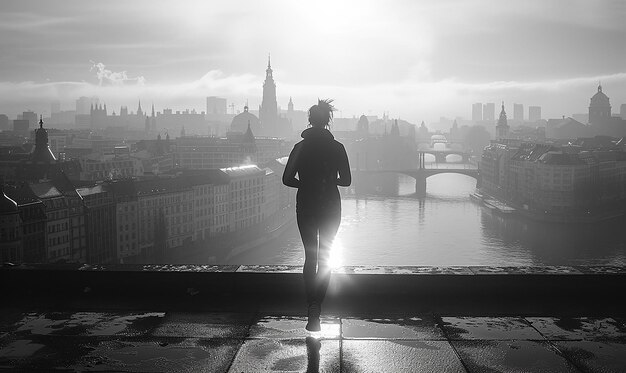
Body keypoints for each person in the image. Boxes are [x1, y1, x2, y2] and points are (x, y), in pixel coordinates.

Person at [283, 99, 351, 331]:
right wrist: (330, 181)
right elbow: (348, 180)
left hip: (307, 204)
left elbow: (286, 179)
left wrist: (306, 184)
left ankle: (311, 306)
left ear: (310, 120)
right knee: (325, 257)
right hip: (331, 204)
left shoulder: (299, 148)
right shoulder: (338, 147)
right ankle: (317, 306)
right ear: (328, 121)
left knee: (310, 257)